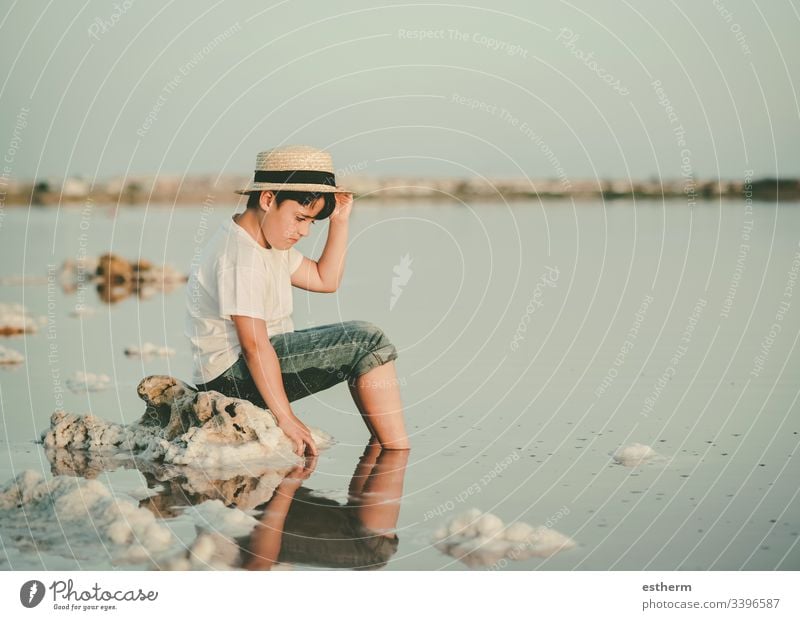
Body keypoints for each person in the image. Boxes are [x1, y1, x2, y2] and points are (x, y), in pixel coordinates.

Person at [185, 145, 410, 456]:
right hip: (232, 379)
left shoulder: (267, 241)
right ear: (267, 199)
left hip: (250, 366)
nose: (303, 231)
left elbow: (324, 279)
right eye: (300, 218)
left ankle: (383, 451)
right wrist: (286, 418)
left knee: (364, 342)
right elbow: (254, 346)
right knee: (368, 341)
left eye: (311, 223)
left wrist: (340, 222)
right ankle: (397, 451)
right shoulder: (240, 257)